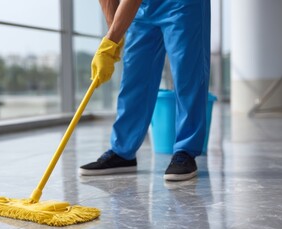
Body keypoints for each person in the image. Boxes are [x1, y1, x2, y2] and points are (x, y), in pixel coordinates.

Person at [79, 0, 210, 181]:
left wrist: (110, 40)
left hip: (182, 4)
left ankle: (185, 150)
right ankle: (122, 151)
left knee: (187, 72)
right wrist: (115, 37)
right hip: (143, 8)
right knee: (134, 74)